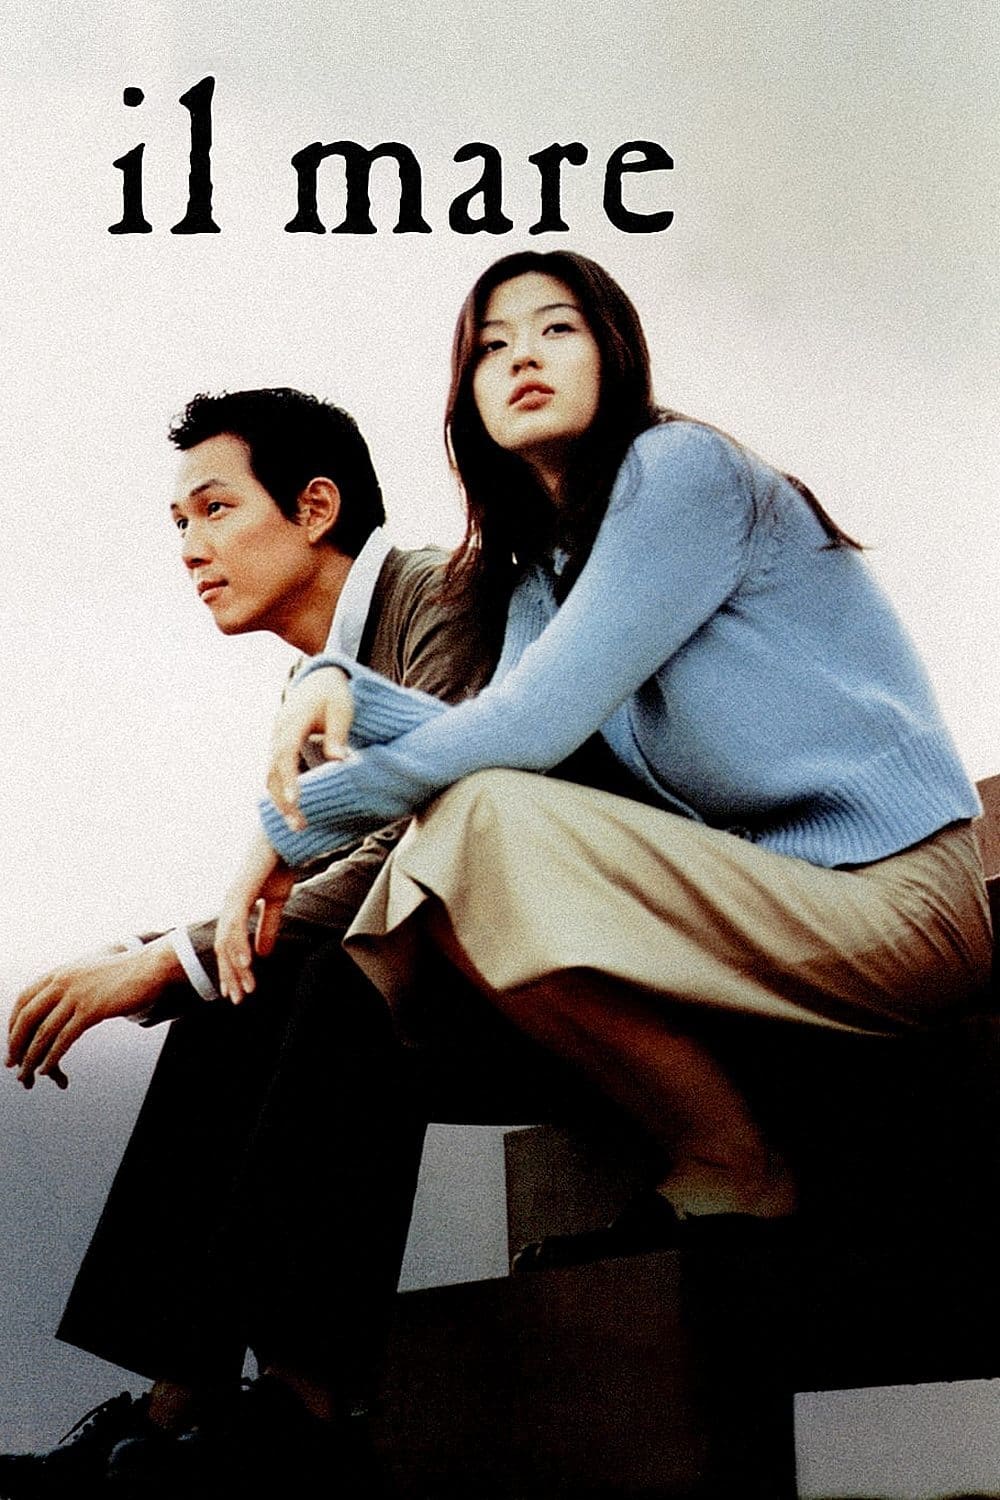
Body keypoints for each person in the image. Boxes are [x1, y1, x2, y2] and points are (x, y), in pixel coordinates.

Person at [217, 250, 992, 1259]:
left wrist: (288, 828)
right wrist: (341, 690)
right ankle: (282, 1329)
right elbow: (497, 729)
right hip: (763, 902)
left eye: (557, 329)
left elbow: (525, 729)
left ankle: (729, 1159)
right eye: (492, 346)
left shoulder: (682, 473)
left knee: (473, 825)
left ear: (614, 352)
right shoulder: (545, 573)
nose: (522, 358)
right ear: (467, 395)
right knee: (444, 856)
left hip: (897, 908)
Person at [0, 386, 514, 1497]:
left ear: (316, 507)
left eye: (216, 508)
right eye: (179, 523)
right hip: (439, 974)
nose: (192, 548)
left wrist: (174, 958)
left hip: (565, 974)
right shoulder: (311, 675)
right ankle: (175, 1406)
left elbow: (438, 841)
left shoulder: (446, 596)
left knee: (320, 982)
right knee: (247, 989)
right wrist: (176, 957)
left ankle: (304, 1407)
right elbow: (329, 870)